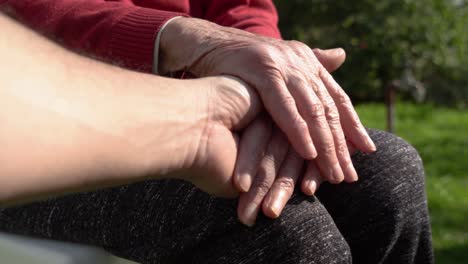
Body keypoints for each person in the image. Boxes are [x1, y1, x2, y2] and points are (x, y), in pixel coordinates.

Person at [0, 2, 434, 264]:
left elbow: (242, 5)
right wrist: (173, 36)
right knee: (281, 233)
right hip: (38, 130)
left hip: (211, 94)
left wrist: (259, 74)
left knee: (387, 171)